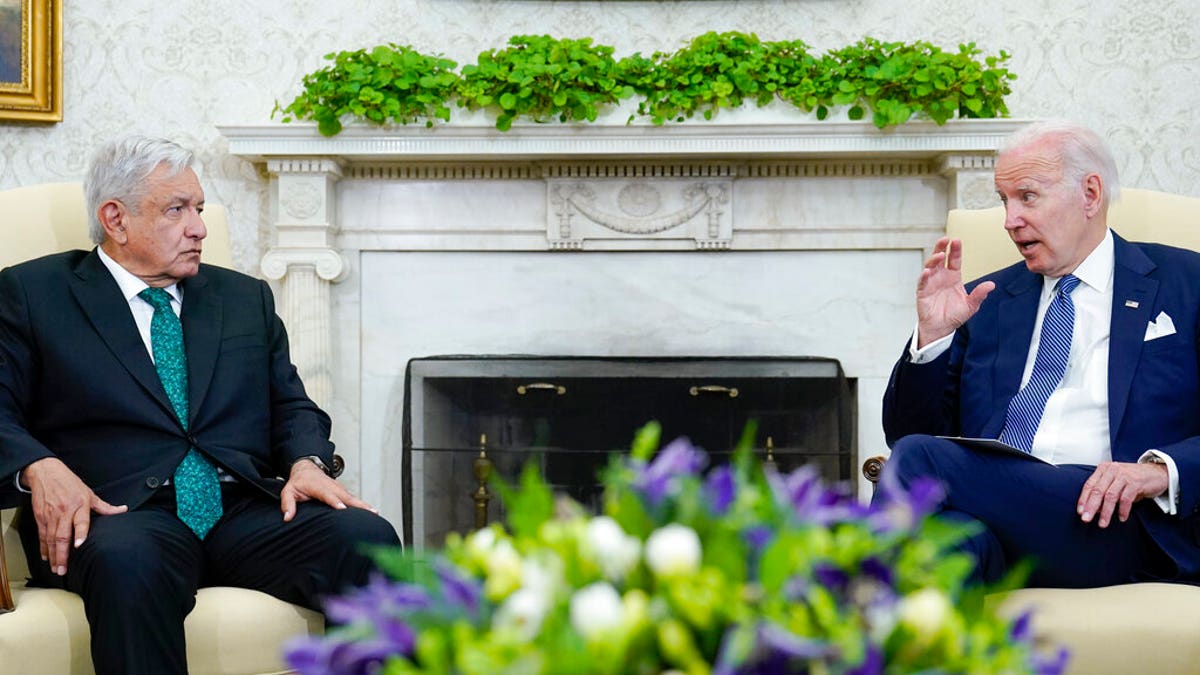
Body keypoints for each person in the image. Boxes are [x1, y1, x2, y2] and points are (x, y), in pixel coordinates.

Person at [0, 137, 401, 674]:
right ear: (115, 219)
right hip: (120, 515)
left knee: (366, 537)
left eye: (200, 209)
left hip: (242, 511)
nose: (200, 228)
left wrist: (307, 462)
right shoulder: (33, 293)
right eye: (177, 210)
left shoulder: (244, 297)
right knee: (129, 562)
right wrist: (38, 466)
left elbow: (293, 406)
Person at [878, 120, 1200, 589]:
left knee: (920, 461)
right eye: (1003, 200)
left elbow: (919, 458)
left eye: (1027, 197)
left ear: (1090, 194)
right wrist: (932, 338)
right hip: (997, 517)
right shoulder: (985, 301)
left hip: (1119, 522)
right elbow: (911, 436)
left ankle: (836, 626)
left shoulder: (1187, 282)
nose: (1009, 219)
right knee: (943, 547)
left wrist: (1157, 472)